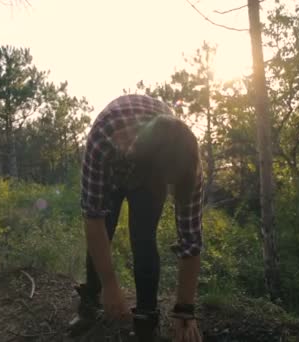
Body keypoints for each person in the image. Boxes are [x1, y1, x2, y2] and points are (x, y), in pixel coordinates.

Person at [68, 94, 204, 342]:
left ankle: (146, 319)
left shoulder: (187, 163)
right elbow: (93, 219)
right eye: (164, 182)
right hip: (118, 160)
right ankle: (90, 305)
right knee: (104, 228)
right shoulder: (102, 143)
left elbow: (191, 240)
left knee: (143, 238)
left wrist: (185, 309)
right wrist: (110, 285)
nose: (169, 188)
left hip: (149, 163)